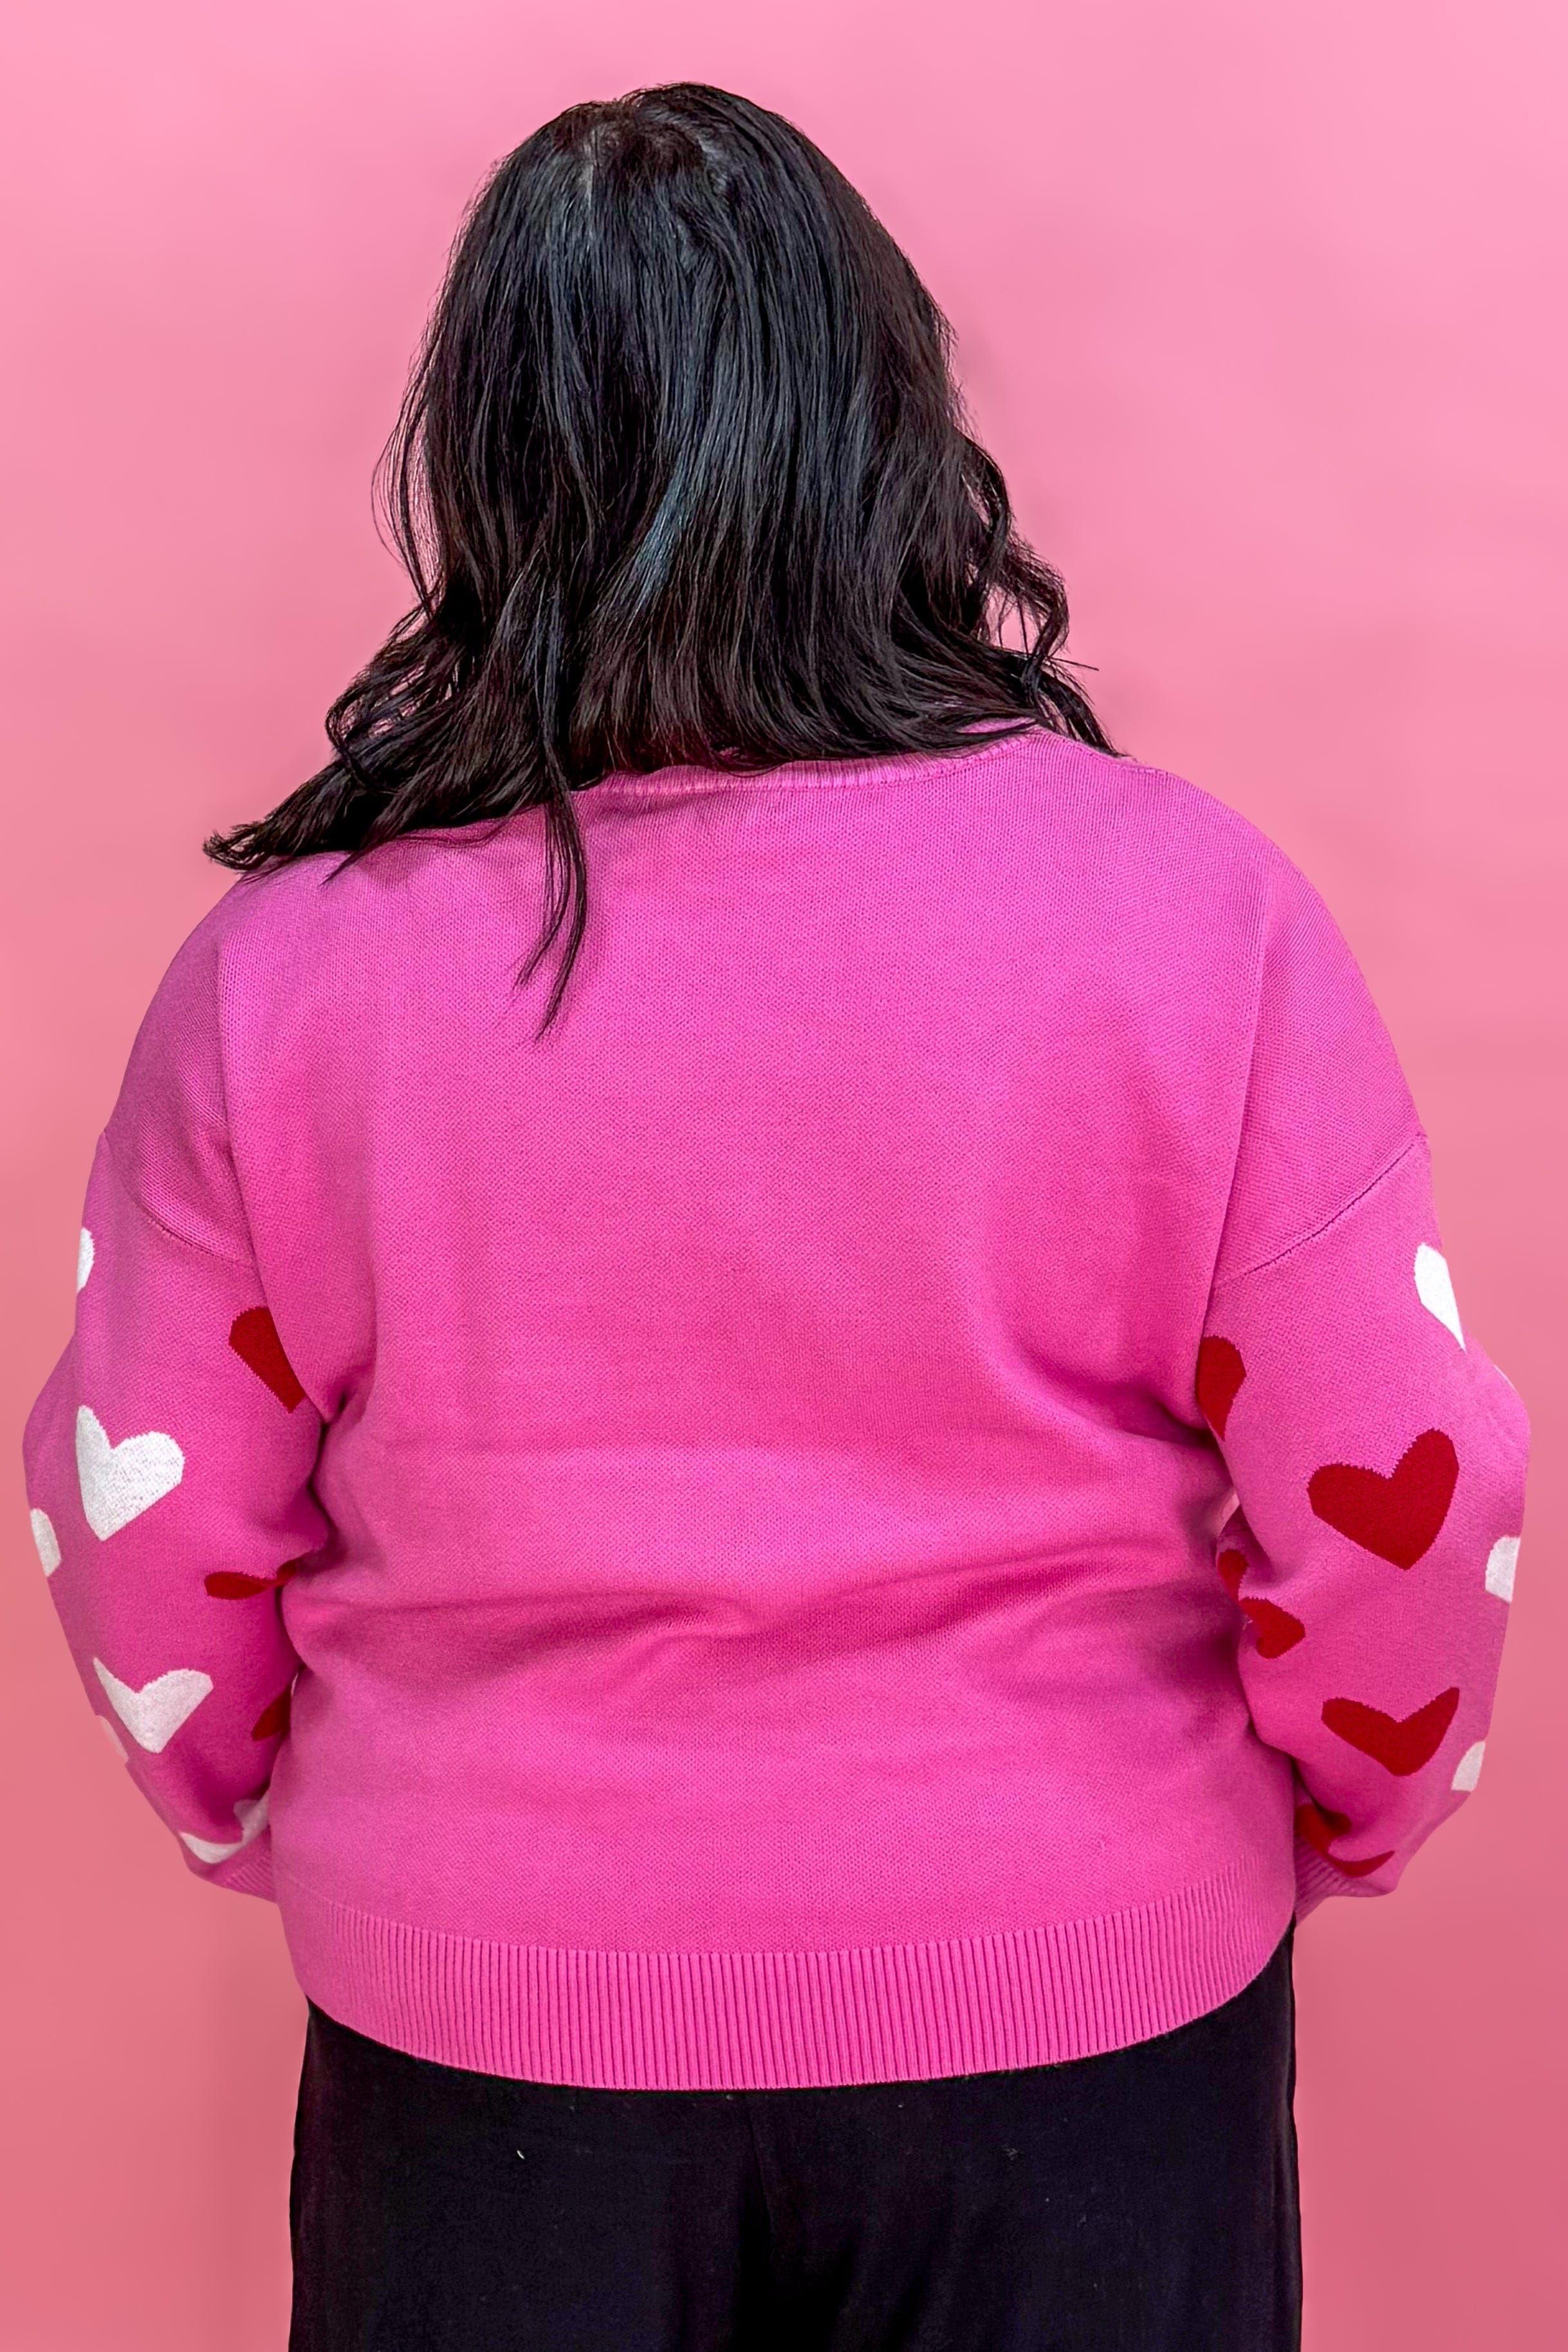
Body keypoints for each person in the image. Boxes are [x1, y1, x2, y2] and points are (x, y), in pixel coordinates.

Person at [22, 81, 1528, 2352]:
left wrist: (307, 1827)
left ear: (493, 468)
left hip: (483, 2035)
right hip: (1096, 2017)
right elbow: (1408, 1484)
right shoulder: (1191, 913)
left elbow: (137, 1523)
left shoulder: (281, 985)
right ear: (891, 427)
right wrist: (1334, 1818)